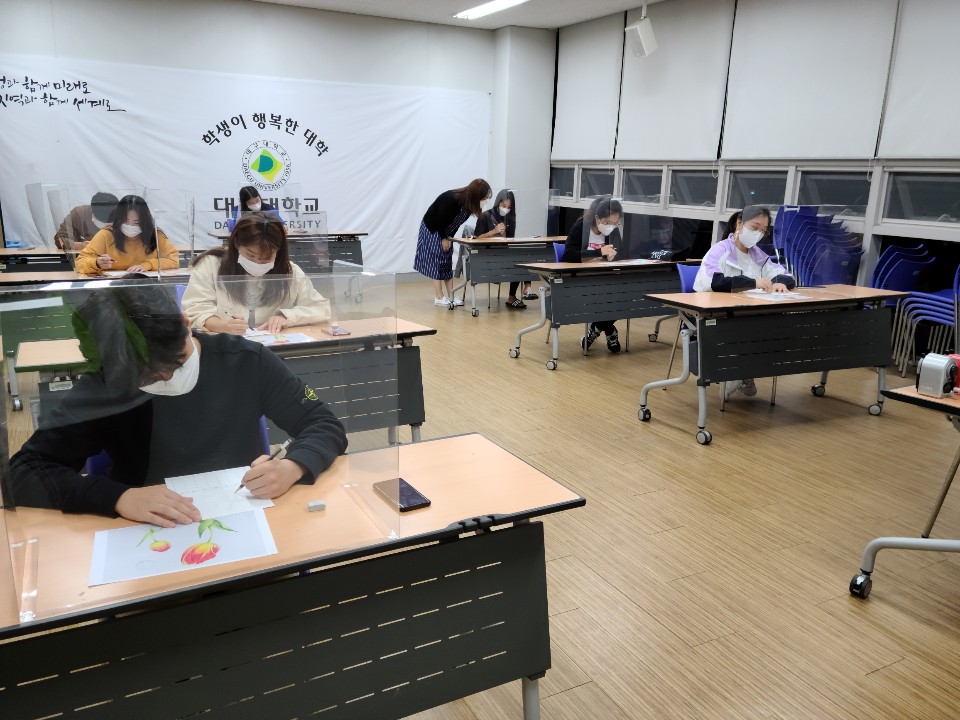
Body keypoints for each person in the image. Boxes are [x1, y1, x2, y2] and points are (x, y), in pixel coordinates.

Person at [5, 283, 347, 526]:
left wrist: (292, 466)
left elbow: (324, 424)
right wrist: (119, 497)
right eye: (147, 375)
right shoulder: (107, 382)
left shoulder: (245, 360)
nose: (166, 377)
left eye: (177, 361)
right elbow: (23, 473)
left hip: (245, 515)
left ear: (186, 323)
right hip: (147, 530)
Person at [693, 204, 796, 398]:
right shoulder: (720, 250)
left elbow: (786, 275)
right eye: (755, 227)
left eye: (763, 231)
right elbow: (712, 282)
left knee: (776, 326)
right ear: (739, 224)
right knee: (754, 328)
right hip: (716, 315)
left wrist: (780, 282)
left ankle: (743, 371)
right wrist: (753, 283)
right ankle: (739, 371)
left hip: (747, 313)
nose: (758, 234)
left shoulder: (757, 255)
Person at [182, 212, 331, 334]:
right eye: (251, 255)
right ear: (237, 244)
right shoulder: (211, 265)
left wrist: (286, 317)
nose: (258, 263)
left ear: (278, 251)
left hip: (274, 349)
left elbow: (320, 308)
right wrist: (223, 326)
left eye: (267, 257)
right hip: (226, 347)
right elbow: (194, 310)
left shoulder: (290, 272)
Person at [561, 196, 624, 353]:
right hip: (581, 279)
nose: (611, 227)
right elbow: (568, 255)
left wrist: (615, 256)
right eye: (608, 223)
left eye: (615, 223)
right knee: (607, 296)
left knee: (624, 295)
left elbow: (621, 253)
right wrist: (599, 252)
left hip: (605, 278)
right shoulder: (581, 227)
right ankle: (609, 329)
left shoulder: (613, 232)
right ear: (597, 218)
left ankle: (595, 328)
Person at [414, 179, 492, 306]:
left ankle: (451, 296)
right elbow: (440, 220)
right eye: (483, 198)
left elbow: (456, 224)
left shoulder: (468, 206)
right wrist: (444, 238)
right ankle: (439, 297)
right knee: (437, 262)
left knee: (447, 262)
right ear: (475, 196)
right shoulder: (452, 199)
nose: (485, 201)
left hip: (445, 232)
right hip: (433, 228)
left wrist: (449, 238)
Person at [75, 195, 180, 275]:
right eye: (125, 221)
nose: (130, 226)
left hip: (147, 285)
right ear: (118, 219)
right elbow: (80, 262)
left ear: (144, 221)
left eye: (136, 222)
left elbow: (173, 260)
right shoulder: (106, 235)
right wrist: (96, 263)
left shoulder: (155, 235)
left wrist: (148, 265)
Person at [474, 189, 537, 309]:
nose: (506, 209)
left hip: (503, 253)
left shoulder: (509, 218)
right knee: (517, 261)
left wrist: (504, 235)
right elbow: (476, 239)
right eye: (504, 206)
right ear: (498, 202)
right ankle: (515, 295)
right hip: (487, 255)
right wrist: (493, 232)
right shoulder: (485, 216)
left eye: (509, 207)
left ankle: (526, 288)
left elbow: (510, 240)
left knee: (523, 258)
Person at [53, 192, 118, 251]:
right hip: (85, 256)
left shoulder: (121, 215)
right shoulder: (79, 213)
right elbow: (60, 239)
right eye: (102, 219)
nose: (106, 224)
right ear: (92, 212)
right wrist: (81, 245)